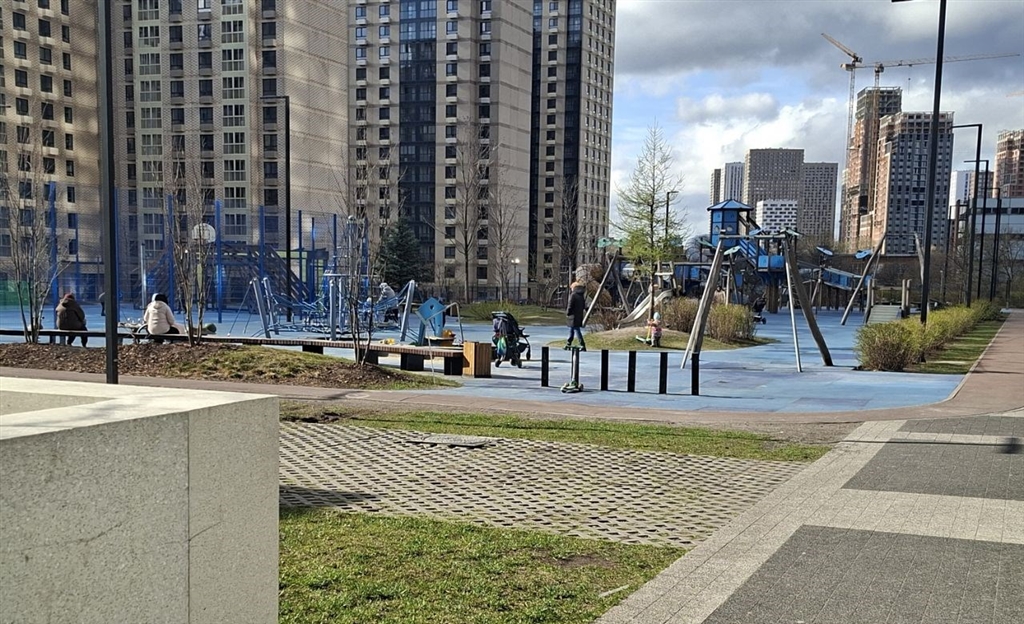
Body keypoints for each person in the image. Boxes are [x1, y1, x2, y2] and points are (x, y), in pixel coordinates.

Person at [565, 281, 586, 351]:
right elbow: (583, 306)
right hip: (579, 315)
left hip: (573, 316)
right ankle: (569, 342)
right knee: (572, 329)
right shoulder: (581, 295)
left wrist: (568, 312)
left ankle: (582, 344)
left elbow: (570, 305)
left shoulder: (573, 295)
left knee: (576, 330)